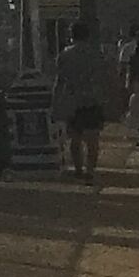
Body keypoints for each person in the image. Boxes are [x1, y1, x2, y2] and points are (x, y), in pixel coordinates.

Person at [51, 28, 118, 184]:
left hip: (73, 100)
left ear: (71, 36)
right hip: (93, 99)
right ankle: (90, 169)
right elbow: (105, 77)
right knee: (93, 139)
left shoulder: (64, 55)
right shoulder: (96, 54)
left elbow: (59, 81)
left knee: (75, 138)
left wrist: (56, 102)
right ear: (88, 36)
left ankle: (78, 169)